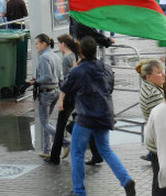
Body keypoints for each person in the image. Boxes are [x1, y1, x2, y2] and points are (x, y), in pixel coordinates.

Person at [61, 36, 136, 196]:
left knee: (77, 153)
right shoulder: (107, 68)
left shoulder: (77, 71)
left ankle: (79, 191)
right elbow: (109, 89)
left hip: (85, 116)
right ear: (96, 50)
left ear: (80, 51)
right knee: (105, 149)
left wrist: (74, 69)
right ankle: (126, 180)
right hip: (104, 114)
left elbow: (66, 87)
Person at [136, 60, 166, 196]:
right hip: (160, 144)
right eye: (159, 72)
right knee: (162, 182)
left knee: (160, 180)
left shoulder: (151, 87)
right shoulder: (153, 94)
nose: (163, 74)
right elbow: (165, 119)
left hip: (156, 142)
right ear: (148, 76)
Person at [46, 34, 80, 165]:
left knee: (60, 126)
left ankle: (54, 157)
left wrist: (61, 98)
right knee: (74, 119)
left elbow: (67, 80)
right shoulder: (75, 55)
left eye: (59, 44)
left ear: (63, 45)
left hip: (67, 95)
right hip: (75, 95)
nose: (58, 46)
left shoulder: (66, 58)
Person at [30, 34, 61, 158]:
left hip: (46, 92)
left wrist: (36, 81)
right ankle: (47, 150)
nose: (35, 46)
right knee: (46, 122)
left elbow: (47, 76)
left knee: (44, 123)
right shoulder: (55, 55)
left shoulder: (44, 57)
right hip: (55, 91)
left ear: (44, 44)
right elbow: (60, 76)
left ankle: (64, 143)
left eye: (37, 44)